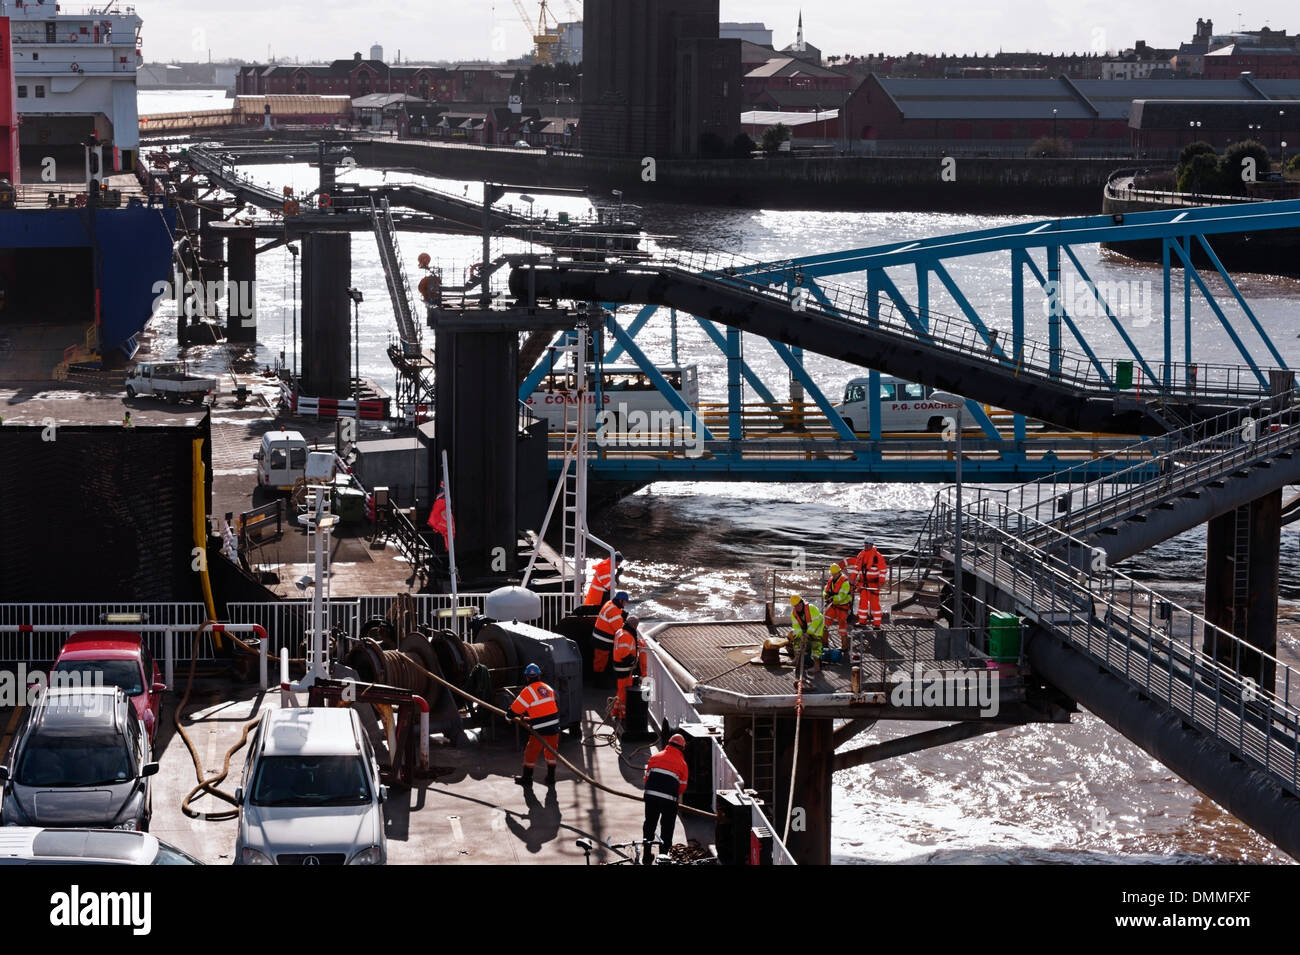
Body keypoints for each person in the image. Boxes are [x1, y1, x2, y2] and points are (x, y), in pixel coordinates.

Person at [509, 663, 561, 789]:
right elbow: (546, 708)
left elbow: (514, 710)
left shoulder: (527, 691)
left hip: (539, 729)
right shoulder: (548, 688)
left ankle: (527, 779)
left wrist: (508, 717)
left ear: (527, 677)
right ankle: (551, 778)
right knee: (551, 752)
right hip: (554, 725)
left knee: (531, 752)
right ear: (539, 676)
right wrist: (530, 718)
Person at [642, 733, 689, 865]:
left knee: (649, 824)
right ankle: (663, 857)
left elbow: (646, 778)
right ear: (682, 748)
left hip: (651, 796)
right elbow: (682, 788)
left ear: (668, 744)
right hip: (669, 800)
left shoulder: (655, 757)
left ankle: (646, 856)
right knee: (667, 828)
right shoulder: (682, 764)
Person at [611, 614, 644, 719]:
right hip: (624, 669)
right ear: (634, 626)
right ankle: (622, 715)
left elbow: (625, 646)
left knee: (620, 690)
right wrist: (634, 660)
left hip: (619, 668)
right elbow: (623, 652)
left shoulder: (620, 632)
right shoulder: (626, 636)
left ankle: (615, 711)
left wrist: (638, 644)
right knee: (624, 693)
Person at [592, 591, 629, 676]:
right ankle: (598, 680)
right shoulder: (613, 610)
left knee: (600, 660)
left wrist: (622, 614)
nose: (625, 605)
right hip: (602, 641)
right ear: (620, 600)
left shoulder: (610, 603)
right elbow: (619, 629)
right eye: (625, 602)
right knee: (600, 661)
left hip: (600, 639)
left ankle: (600, 678)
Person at [853, 540, 888, 628]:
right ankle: (862, 622)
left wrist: (881, 581)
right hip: (863, 585)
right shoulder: (861, 555)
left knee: (875, 605)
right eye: (865, 544)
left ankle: (877, 625)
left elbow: (883, 570)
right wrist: (852, 580)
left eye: (868, 545)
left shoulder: (878, 556)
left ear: (872, 545)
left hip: (873, 585)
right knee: (862, 604)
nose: (866, 546)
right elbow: (856, 568)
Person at [788, 594, 824, 674]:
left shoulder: (811, 608)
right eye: (795, 606)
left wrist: (808, 633)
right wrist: (801, 635)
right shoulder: (793, 613)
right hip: (806, 628)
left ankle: (817, 666)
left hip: (817, 628)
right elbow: (796, 626)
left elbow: (816, 622)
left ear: (802, 603)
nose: (797, 607)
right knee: (797, 640)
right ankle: (796, 660)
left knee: (815, 644)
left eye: (798, 605)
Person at [822, 562, 853, 651]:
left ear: (839, 572)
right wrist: (826, 596)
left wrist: (832, 599)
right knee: (825, 623)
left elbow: (841, 597)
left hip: (843, 607)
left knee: (842, 627)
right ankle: (824, 643)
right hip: (833, 605)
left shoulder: (845, 582)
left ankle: (844, 646)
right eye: (832, 574)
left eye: (835, 574)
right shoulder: (831, 580)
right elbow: (825, 591)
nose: (833, 575)